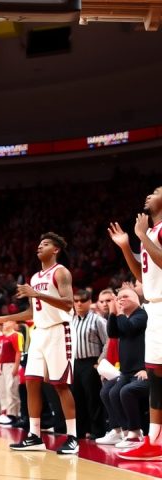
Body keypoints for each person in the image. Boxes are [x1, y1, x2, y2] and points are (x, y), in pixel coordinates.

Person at [0, 232, 78, 455]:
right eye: (39, 244)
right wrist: (6, 318)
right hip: (39, 332)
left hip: (59, 330)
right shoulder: (36, 277)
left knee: (60, 385)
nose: (39, 247)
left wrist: (36, 293)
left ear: (55, 250)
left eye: (45, 244)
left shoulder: (61, 272)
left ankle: (73, 437)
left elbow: (68, 303)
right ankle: (35, 436)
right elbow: (32, 312)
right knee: (31, 381)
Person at [109, 189, 162, 460]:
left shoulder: (155, 232)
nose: (150, 195)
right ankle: (155, 440)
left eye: (157, 191)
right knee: (156, 375)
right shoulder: (150, 233)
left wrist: (142, 236)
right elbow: (142, 274)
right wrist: (125, 247)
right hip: (154, 306)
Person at [96, 288, 149, 449]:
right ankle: (120, 430)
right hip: (126, 372)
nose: (120, 300)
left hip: (141, 371)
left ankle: (135, 432)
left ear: (136, 299)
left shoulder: (141, 315)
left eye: (125, 296)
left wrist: (118, 312)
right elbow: (112, 333)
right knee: (107, 391)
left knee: (125, 392)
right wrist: (113, 313)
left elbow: (128, 329)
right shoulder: (124, 318)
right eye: (118, 298)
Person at [70, 289, 108, 440]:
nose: (79, 304)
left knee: (93, 398)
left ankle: (98, 431)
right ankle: (80, 430)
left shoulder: (97, 320)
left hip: (91, 362)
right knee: (77, 398)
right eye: (76, 301)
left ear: (90, 302)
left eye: (83, 301)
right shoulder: (71, 320)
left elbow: (107, 342)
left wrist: (100, 361)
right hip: (76, 363)